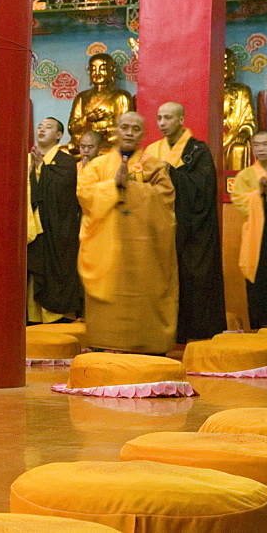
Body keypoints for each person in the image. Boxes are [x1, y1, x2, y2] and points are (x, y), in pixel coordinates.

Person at [78, 112, 178, 354]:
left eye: (135, 128)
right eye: (125, 127)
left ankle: (147, 345)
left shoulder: (154, 166)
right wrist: (112, 185)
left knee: (145, 294)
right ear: (116, 130)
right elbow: (84, 194)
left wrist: (130, 187)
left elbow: (166, 198)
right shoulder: (98, 166)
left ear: (143, 134)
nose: (130, 132)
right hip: (105, 244)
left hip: (145, 249)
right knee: (109, 293)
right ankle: (104, 342)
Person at [143, 102, 227, 342]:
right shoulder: (152, 150)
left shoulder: (197, 151)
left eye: (168, 118)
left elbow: (204, 188)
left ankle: (197, 333)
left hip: (193, 232)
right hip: (162, 228)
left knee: (193, 278)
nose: (162, 123)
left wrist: (172, 172)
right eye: (159, 118)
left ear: (181, 120)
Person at [28, 118, 83, 323]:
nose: (42, 129)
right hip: (36, 227)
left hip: (59, 229)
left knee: (57, 272)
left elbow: (63, 192)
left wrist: (41, 168)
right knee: (35, 270)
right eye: (40, 126)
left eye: (48, 127)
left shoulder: (66, 162)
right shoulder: (27, 159)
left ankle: (58, 316)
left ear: (59, 136)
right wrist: (33, 169)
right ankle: (33, 317)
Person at [233, 131, 267, 329]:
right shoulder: (245, 175)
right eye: (256, 145)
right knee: (259, 290)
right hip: (257, 240)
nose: (261, 149)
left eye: (265, 144)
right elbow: (239, 202)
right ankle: (260, 335)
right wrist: (258, 193)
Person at [66, 53, 135, 151]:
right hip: (86, 141)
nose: (97, 73)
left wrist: (104, 130)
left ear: (112, 70)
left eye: (102, 69)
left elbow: (127, 127)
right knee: (69, 148)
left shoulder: (121, 96)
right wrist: (87, 119)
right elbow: (71, 128)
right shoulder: (82, 97)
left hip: (109, 140)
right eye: (93, 69)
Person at [222, 48, 257, 170]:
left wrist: (244, 132)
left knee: (239, 148)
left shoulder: (242, 91)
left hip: (234, 137)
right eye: (223, 64)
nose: (226, 68)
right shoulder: (207, 91)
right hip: (216, 137)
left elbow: (250, 121)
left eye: (230, 64)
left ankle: (235, 185)